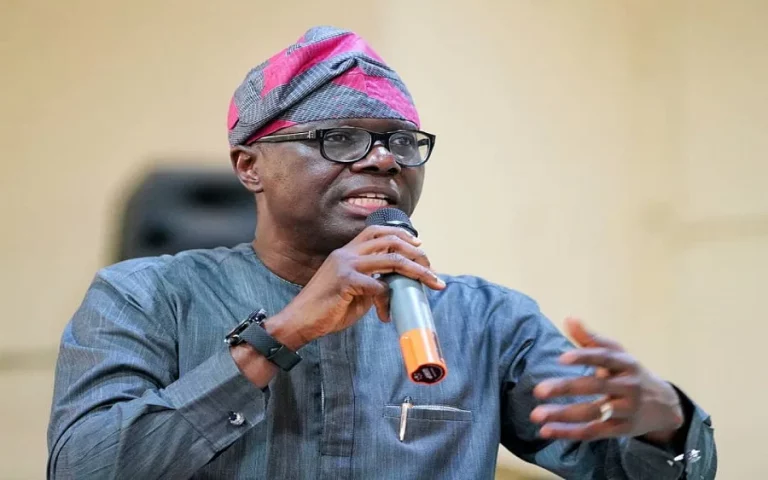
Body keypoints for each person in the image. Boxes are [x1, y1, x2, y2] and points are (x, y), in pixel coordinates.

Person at [47, 26, 716, 479]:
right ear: (250, 165)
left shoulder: (485, 320)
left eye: (402, 142)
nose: (382, 159)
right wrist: (282, 334)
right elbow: (84, 466)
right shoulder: (143, 297)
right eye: (339, 138)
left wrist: (664, 425)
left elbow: (632, 466)